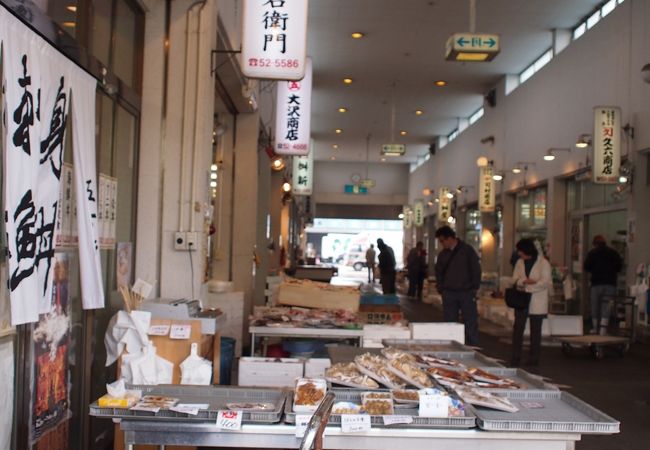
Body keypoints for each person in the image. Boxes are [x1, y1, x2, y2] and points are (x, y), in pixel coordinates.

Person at [434, 226, 481, 345]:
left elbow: (476, 269)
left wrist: (474, 287)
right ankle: (452, 347)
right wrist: (441, 288)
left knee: (470, 321)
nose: (441, 244)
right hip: (449, 293)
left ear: (450, 238)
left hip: (466, 292)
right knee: (450, 323)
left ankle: (473, 347)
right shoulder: (442, 255)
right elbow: (438, 272)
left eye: (442, 241)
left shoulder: (467, 250)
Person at [510, 238, 552, 367]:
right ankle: (515, 356)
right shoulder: (519, 263)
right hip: (522, 300)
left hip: (537, 301)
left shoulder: (543, 263)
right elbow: (515, 279)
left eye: (520, 251)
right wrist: (526, 282)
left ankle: (534, 358)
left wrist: (528, 286)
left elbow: (545, 282)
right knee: (518, 329)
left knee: (535, 331)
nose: (519, 253)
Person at [584, 235, 622, 335]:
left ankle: (595, 328)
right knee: (607, 306)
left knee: (595, 306)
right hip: (610, 284)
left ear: (595, 244)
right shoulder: (614, 253)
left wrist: (595, 270)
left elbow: (586, 266)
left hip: (596, 284)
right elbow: (619, 267)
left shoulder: (592, 253)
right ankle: (603, 330)